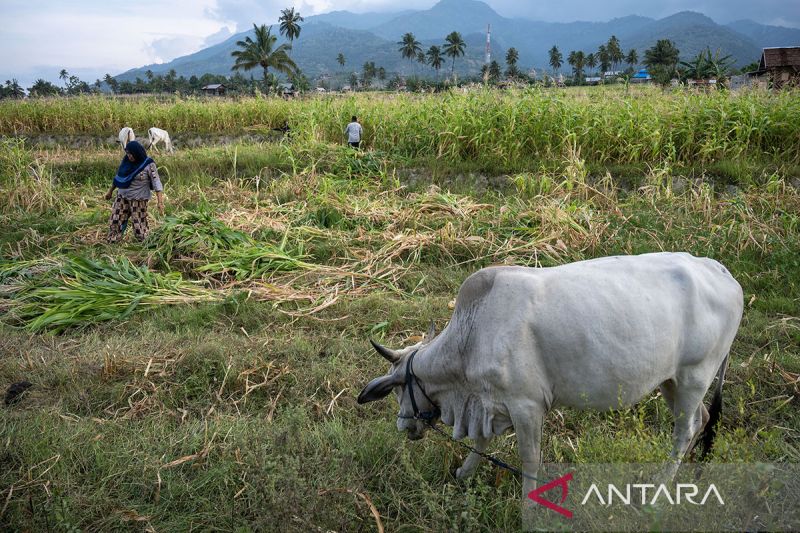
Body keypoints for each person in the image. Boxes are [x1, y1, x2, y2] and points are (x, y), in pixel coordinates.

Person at [104, 140, 164, 243]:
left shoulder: (148, 164)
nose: (129, 156)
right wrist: (110, 192)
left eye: (132, 154)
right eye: (127, 154)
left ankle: (143, 243)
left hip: (138, 199)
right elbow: (118, 178)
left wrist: (160, 202)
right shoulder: (126, 162)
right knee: (116, 219)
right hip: (122, 197)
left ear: (137, 152)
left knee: (138, 223)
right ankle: (113, 241)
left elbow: (156, 182)